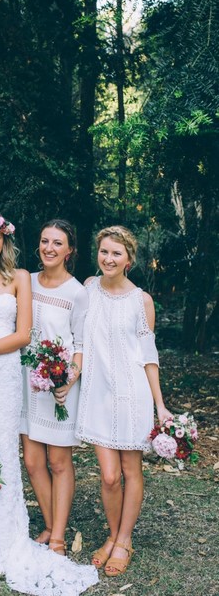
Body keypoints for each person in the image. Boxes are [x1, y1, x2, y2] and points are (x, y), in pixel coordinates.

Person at [0, 212, 98, 596]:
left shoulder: (19, 279)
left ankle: (8, 536)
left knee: (6, 456)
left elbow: (22, 334)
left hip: (8, 380)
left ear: (5, 242)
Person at [75, 225, 172, 577]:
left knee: (131, 471)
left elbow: (149, 356)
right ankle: (112, 534)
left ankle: (123, 540)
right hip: (98, 394)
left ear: (129, 259)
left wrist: (160, 405)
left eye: (116, 253)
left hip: (133, 394)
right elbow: (79, 339)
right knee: (109, 475)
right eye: (104, 251)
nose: (109, 258)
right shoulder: (88, 289)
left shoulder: (141, 301)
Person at [20, 219, 87, 555]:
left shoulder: (77, 292)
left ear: (69, 250)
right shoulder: (25, 281)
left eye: (57, 243)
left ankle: (58, 536)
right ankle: (48, 524)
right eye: (45, 241)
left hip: (59, 385)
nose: (49, 248)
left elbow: (81, 344)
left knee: (58, 462)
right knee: (32, 461)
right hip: (25, 383)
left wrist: (67, 380)